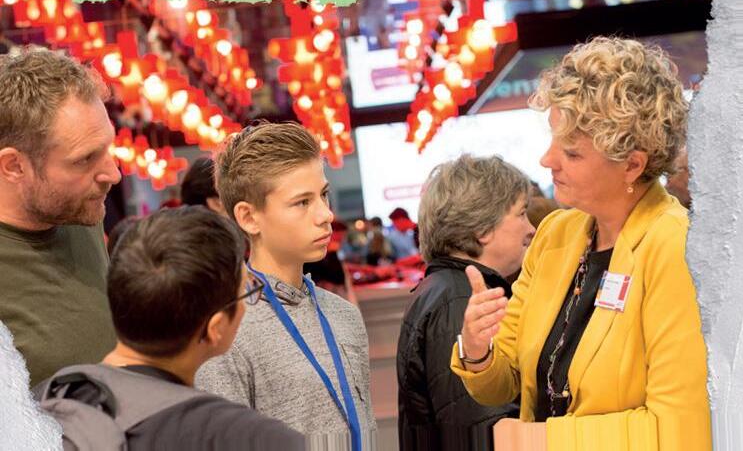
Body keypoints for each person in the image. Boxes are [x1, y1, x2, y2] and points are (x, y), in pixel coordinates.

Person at [451, 37, 711, 450]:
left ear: (632, 165)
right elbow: (505, 381)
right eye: (554, 140)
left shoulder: (675, 247)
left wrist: (539, 439)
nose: (547, 160)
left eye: (571, 153)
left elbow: (680, 430)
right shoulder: (555, 235)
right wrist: (477, 348)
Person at [37, 206, 304, 450]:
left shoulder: (40, 401)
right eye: (246, 291)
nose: (247, 304)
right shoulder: (234, 434)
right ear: (216, 327)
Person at [196, 122, 376, 449]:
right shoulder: (226, 330)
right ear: (249, 217)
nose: (326, 214)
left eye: (323, 195)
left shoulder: (343, 314)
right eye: (302, 202)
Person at [0, 48, 122, 386]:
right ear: (14, 166)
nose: (113, 174)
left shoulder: (79, 210)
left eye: (108, 148)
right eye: (84, 159)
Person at [397, 154, 535, 451]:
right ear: (482, 228)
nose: (531, 229)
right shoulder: (461, 300)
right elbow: (484, 429)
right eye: (521, 213)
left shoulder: (444, 289)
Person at [304, 219, 358, 304]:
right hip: (325, 298)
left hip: (335, 297)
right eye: (339, 236)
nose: (341, 239)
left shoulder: (333, 253)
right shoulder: (317, 256)